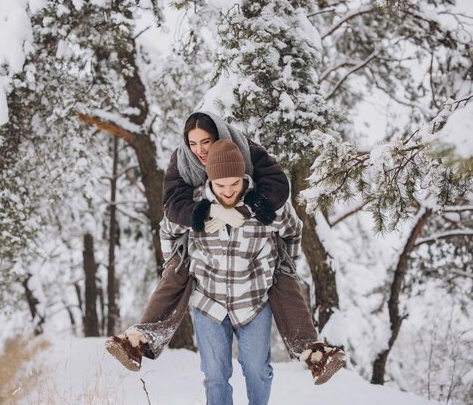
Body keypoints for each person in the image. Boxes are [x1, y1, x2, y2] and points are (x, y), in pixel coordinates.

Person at [105, 112, 345, 386]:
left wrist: (249, 206)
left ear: (221, 137)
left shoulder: (247, 151)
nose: (200, 150)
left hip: (252, 254)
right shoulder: (182, 160)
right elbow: (171, 206)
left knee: (283, 278)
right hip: (201, 243)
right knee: (176, 271)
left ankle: (314, 353)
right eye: (192, 143)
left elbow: (279, 186)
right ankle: (138, 340)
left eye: (206, 141)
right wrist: (206, 213)